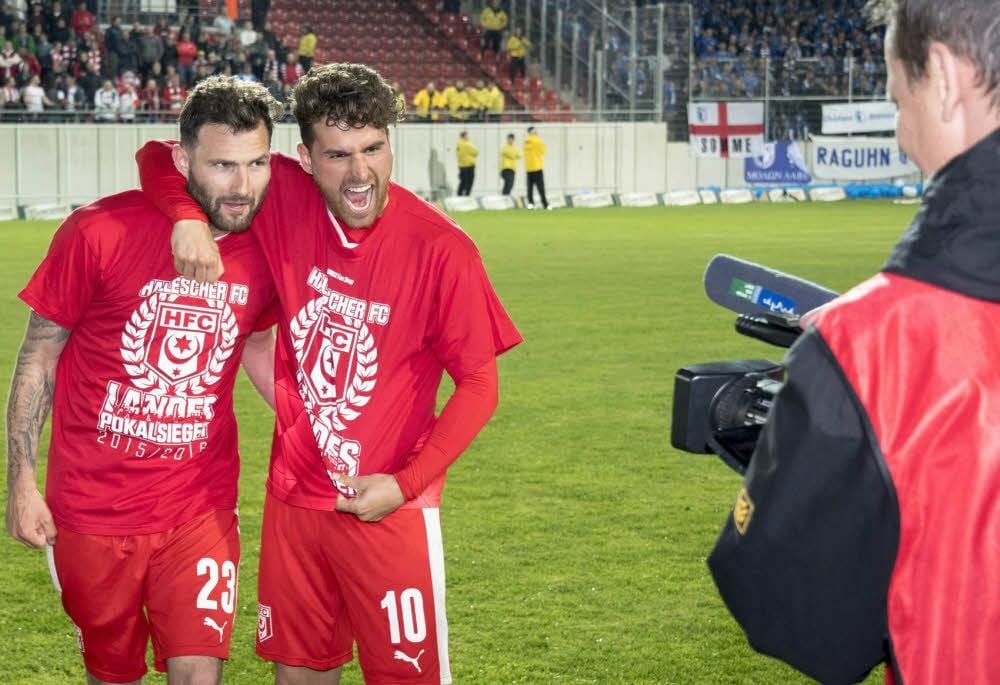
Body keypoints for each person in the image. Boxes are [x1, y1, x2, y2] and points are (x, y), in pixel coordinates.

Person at [136, 62, 522, 684]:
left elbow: (480, 386)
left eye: (373, 148)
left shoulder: (441, 249)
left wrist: (404, 485)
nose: (360, 172)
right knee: (299, 675)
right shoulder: (284, 195)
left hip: (388, 508)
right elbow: (159, 156)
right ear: (305, 160)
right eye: (338, 154)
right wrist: (185, 216)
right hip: (294, 501)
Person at [706, 1, 1000, 683]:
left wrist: (803, 449)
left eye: (898, 101)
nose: (901, 135)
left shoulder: (872, 348)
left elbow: (796, 620)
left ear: (943, 79)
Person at [5, 76, 283, 685]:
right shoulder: (96, 231)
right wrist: (21, 481)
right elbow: (38, 356)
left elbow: (257, 338)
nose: (242, 186)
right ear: (182, 161)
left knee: (199, 671)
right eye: (222, 165)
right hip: (91, 511)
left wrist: (305, 419)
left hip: (199, 504)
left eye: (257, 163)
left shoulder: (266, 248)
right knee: (113, 674)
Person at [523, 125, 549, 209]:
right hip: (537, 167)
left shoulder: (526, 141)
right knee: (541, 188)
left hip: (529, 168)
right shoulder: (537, 140)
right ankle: (545, 204)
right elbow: (544, 150)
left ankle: (530, 203)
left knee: (529, 188)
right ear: (534, 132)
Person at [456, 129, 478, 196]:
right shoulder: (466, 144)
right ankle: (467, 195)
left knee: (463, 181)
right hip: (469, 166)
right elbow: (476, 152)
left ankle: (459, 194)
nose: (468, 137)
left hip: (461, 166)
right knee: (469, 182)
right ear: (464, 136)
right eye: (467, 136)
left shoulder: (458, 144)